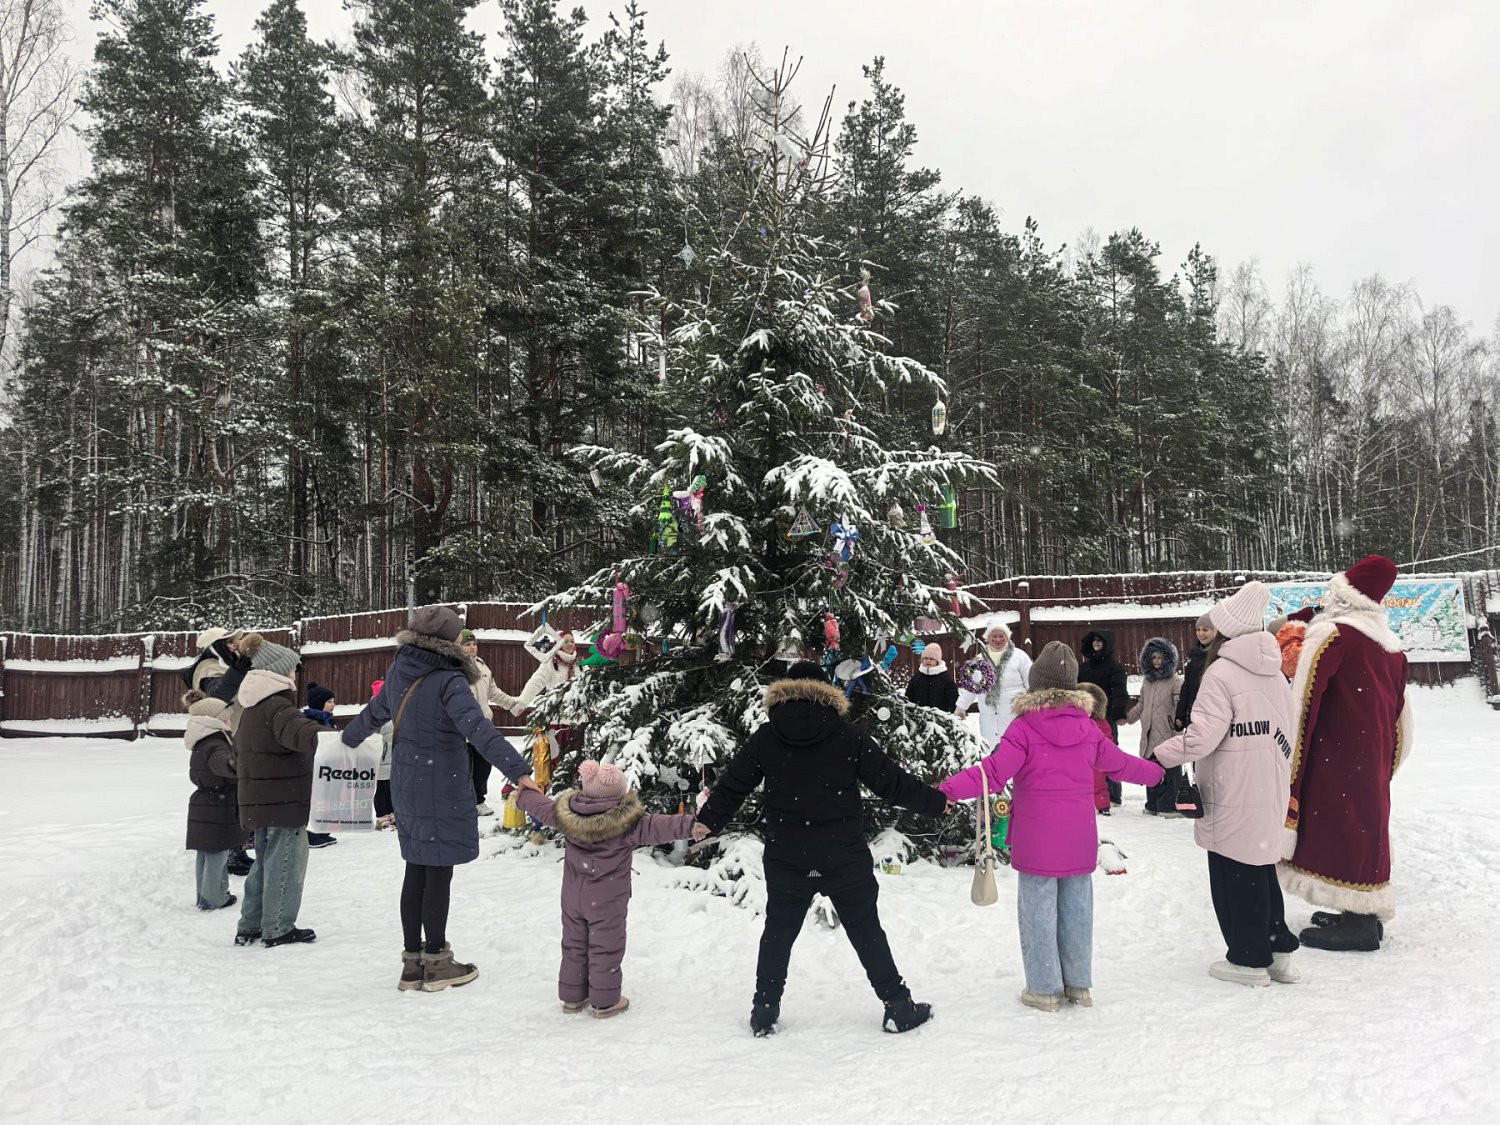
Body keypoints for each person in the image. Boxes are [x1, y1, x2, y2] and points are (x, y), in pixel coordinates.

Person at [695, 662, 949, 1036]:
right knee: (866, 929)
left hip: (788, 855)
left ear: (784, 691)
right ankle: (897, 1005)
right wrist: (936, 802)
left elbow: (733, 785)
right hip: (842, 854)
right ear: (826, 690)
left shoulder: (767, 737)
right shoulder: (847, 735)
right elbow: (891, 782)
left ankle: (764, 1011)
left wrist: (708, 820)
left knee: (778, 931)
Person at [939, 642, 1162, 1011]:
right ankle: (1078, 985)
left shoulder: (1024, 727)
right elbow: (1121, 765)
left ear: (1035, 684)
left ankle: (1043, 989)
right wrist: (1157, 774)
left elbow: (992, 774)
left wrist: (946, 790)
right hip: (1077, 838)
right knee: (1077, 910)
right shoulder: (1088, 729)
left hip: (1037, 838)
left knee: (1037, 912)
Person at [342, 606, 541, 993]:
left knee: (416, 868)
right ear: (449, 641)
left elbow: (371, 715)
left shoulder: (400, 671)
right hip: (442, 785)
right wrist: (519, 772)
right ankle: (436, 963)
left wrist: (345, 741)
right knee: (438, 872)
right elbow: (480, 731)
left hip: (407, 785)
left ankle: (411, 965)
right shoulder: (449, 680)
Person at [1152, 581, 1300, 986]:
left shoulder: (1221, 672)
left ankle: (1249, 959)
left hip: (1231, 787)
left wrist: (1159, 756)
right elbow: (1289, 726)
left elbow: (1202, 736)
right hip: (1270, 782)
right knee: (1261, 865)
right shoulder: (1275, 671)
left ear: (1225, 632)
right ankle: (1278, 952)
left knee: (1234, 871)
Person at [1279, 555, 1413, 953]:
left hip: (1332, 752)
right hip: (1370, 755)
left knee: (1338, 827)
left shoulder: (1334, 635)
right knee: (1363, 825)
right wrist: (1388, 758)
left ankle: (1358, 924)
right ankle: (1360, 912)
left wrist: (1291, 756)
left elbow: (1302, 700)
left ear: (1344, 595)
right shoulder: (1390, 646)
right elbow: (1400, 711)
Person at [516, 760, 697, 1019]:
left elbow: (540, 806)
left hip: (572, 895)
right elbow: (659, 825)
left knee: (574, 944)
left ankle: (572, 997)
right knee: (605, 947)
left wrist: (524, 796)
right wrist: (690, 825)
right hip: (607, 899)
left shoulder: (566, 814)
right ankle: (605, 1001)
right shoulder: (628, 822)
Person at [233, 634, 328, 948]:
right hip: (283, 800)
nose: (295, 676)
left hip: (262, 800)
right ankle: (277, 928)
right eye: (292, 669)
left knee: (264, 863)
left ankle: (251, 925)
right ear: (279, 672)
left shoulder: (253, 705)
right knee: (285, 863)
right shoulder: (278, 706)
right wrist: (339, 740)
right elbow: (306, 734)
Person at [183, 691, 242, 911]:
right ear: (215, 719)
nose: (229, 719)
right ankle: (214, 897)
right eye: (226, 716)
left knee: (206, 852)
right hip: (219, 802)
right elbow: (221, 763)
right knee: (218, 852)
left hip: (206, 802)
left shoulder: (202, 741)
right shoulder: (216, 743)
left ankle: (206, 894)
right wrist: (235, 765)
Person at [1127, 638, 1183, 816]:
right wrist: (1127, 718)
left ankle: (1168, 806)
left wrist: (1181, 718)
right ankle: (1152, 804)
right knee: (1151, 769)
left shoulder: (1175, 681)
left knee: (1170, 770)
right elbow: (1141, 705)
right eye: (1153, 658)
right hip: (1149, 734)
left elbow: (1180, 704)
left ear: (1168, 659)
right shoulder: (1147, 682)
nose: (1156, 661)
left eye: (1160, 658)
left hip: (1168, 733)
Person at [460, 629, 511, 816]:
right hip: (463, 727)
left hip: (483, 725)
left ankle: (479, 800)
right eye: (467, 644)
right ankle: (466, 801)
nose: (472, 648)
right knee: (465, 766)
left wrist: (513, 704)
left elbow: (494, 692)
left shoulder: (483, 667)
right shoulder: (453, 668)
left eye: (474, 644)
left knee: (483, 764)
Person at [955, 623, 1032, 747]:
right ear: (988, 638)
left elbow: (1031, 684)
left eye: (1001, 636)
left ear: (1007, 637)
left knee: (1016, 749)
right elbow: (970, 687)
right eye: (994, 636)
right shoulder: (979, 660)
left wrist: (1034, 708)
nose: (998, 639)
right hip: (989, 719)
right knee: (991, 752)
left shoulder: (1020, 657)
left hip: (1014, 715)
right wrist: (961, 707)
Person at [1077, 628, 1130, 805]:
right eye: (1094, 641)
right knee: (1086, 754)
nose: (1096, 644)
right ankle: (1091, 792)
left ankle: (1113, 794)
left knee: (1109, 752)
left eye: (1100, 641)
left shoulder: (1114, 667)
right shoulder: (1084, 667)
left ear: (1106, 644)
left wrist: (1119, 713)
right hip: (1086, 716)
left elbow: (1119, 691)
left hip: (1106, 716)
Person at [492, 628, 580, 717]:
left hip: (578, 719)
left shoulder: (581, 665)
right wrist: (522, 703)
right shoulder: (550, 663)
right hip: (556, 717)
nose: (570, 644)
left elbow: (591, 687)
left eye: (572, 641)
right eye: (565, 641)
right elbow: (535, 683)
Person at [298, 684, 340, 848]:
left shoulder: (329, 720)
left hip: (328, 767)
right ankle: (311, 834)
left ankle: (322, 830)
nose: (333, 704)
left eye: (333, 701)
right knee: (315, 801)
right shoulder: (311, 722)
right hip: (314, 767)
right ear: (319, 703)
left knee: (326, 799)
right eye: (329, 701)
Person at [1075, 683, 1115, 816]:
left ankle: (1103, 806)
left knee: (1098, 783)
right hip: (1078, 758)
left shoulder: (1099, 723)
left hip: (1095, 757)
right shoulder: (1074, 721)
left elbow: (1108, 739)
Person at [1174, 614, 1220, 730]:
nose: (1201, 633)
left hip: (1215, 714)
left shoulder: (1221, 654)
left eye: (1206, 630)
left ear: (1215, 631)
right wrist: (1181, 714)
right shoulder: (1195, 655)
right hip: (1194, 714)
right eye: (1198, 630)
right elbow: (1187, 687)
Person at [369, 679, 395, 829]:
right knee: (381, 788)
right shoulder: (375, 713)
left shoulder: (393, 709)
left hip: (392, 757)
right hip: (380, 758)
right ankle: (381, 816)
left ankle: (391, 812)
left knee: (391, 786)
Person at [904, 641, 959, 713]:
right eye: (925, 658)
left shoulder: (946, 679)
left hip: (940, 719)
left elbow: (953, 700)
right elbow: (908, 698)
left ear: (937, 661)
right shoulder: (916, 678)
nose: (928, 661)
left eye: (931, 659)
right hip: (918, 718)